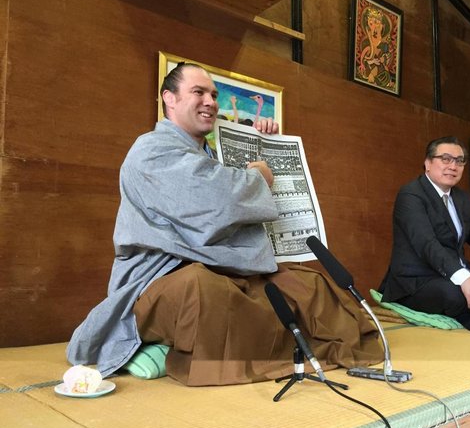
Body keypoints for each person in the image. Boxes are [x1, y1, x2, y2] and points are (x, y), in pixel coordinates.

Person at [66, 63, 381, 386]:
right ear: (169, 98)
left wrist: (262, 141)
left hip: (224, 266)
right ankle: (161, 346)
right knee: (202, 290)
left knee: (308, 286)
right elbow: (215, 201)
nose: (210, 102)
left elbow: (231, 196)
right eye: (198, 92)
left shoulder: (212, 153)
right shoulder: (150, 150)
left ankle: (306, 355)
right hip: (161, 276)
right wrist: (258, 177)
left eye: (214, 95)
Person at [378, 136, 470, 332]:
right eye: (446, 159)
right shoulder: (411, 194)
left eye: (459, 161)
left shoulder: (461, 198)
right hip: (417, 281)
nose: (453, 166)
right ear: (428, 163)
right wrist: (465, 279)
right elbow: (426, 244)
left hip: (454, 275)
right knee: (454, 294)